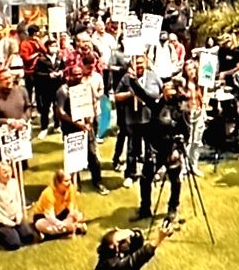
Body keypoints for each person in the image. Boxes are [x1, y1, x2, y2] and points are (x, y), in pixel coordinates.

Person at [134, 78, 189, 222]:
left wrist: (178, 150)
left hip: (172, 150)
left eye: (171, 90)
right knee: (145, 179)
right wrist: (132, 79)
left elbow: (186, 133)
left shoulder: (181, 110)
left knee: (175, 180)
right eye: (166, 89)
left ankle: (172, 208)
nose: (168, 93)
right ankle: (145, 208)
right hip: (155, 149)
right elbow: (142, 93)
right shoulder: (156, 105)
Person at [54, 66, 109, 195]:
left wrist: (89, 120)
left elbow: (91, 104)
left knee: (93, 156)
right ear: (69, 75)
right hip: (70, 129)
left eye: (80, 74)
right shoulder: (63, 91)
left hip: (86, 127)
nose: (78, 77)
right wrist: (76, 123)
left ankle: (97, 181)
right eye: (75, 75)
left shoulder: (85, 88)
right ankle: (75, 185)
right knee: (73, 158)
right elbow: (60, 112)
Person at [0, 67, 31, 195]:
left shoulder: (22, 91)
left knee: (19, 166)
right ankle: (4, 197)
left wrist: (23, 119)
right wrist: (7, 121)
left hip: (20, 137)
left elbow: (28, 107)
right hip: (1, 141)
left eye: (9, 77)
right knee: (5, 170)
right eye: (4, 79)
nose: (8, 81)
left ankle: (19, 195)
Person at [115, 56, 162, 189]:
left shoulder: (153, 77)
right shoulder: (126, 78)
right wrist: (130, 94)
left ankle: (150, 172)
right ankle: (130, 174)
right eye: (136, 63)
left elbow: (159, 93)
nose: (139, 65)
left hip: (149, 118)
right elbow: (116, 97)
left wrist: (143, 93)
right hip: (132, 118)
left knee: (150, 148)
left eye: (141, 62)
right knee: (132, 149)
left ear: (146, 63)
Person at [0, 162, 37, 250]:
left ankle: (15, 231)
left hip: (15, 217)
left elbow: (18, 200)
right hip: (3, 221)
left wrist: (19, 214)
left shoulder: (14, 183)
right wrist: (6, 221)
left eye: (9, 171)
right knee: (14, 244)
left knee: (29, 237)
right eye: (4, 172)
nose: (8, 175)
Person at [32, 169, 87, 238]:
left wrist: (73, 217)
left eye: (70, 180)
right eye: (66, 181)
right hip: (45, 217)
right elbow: (50, 217)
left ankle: (65, 230)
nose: (70, 182)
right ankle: (73, 228)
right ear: (58, 182)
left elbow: (71, 208)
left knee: (78, 215)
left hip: (61, 214)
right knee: (42, 225)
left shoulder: (70, 188)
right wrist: (63, 224)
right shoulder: (48, 193)